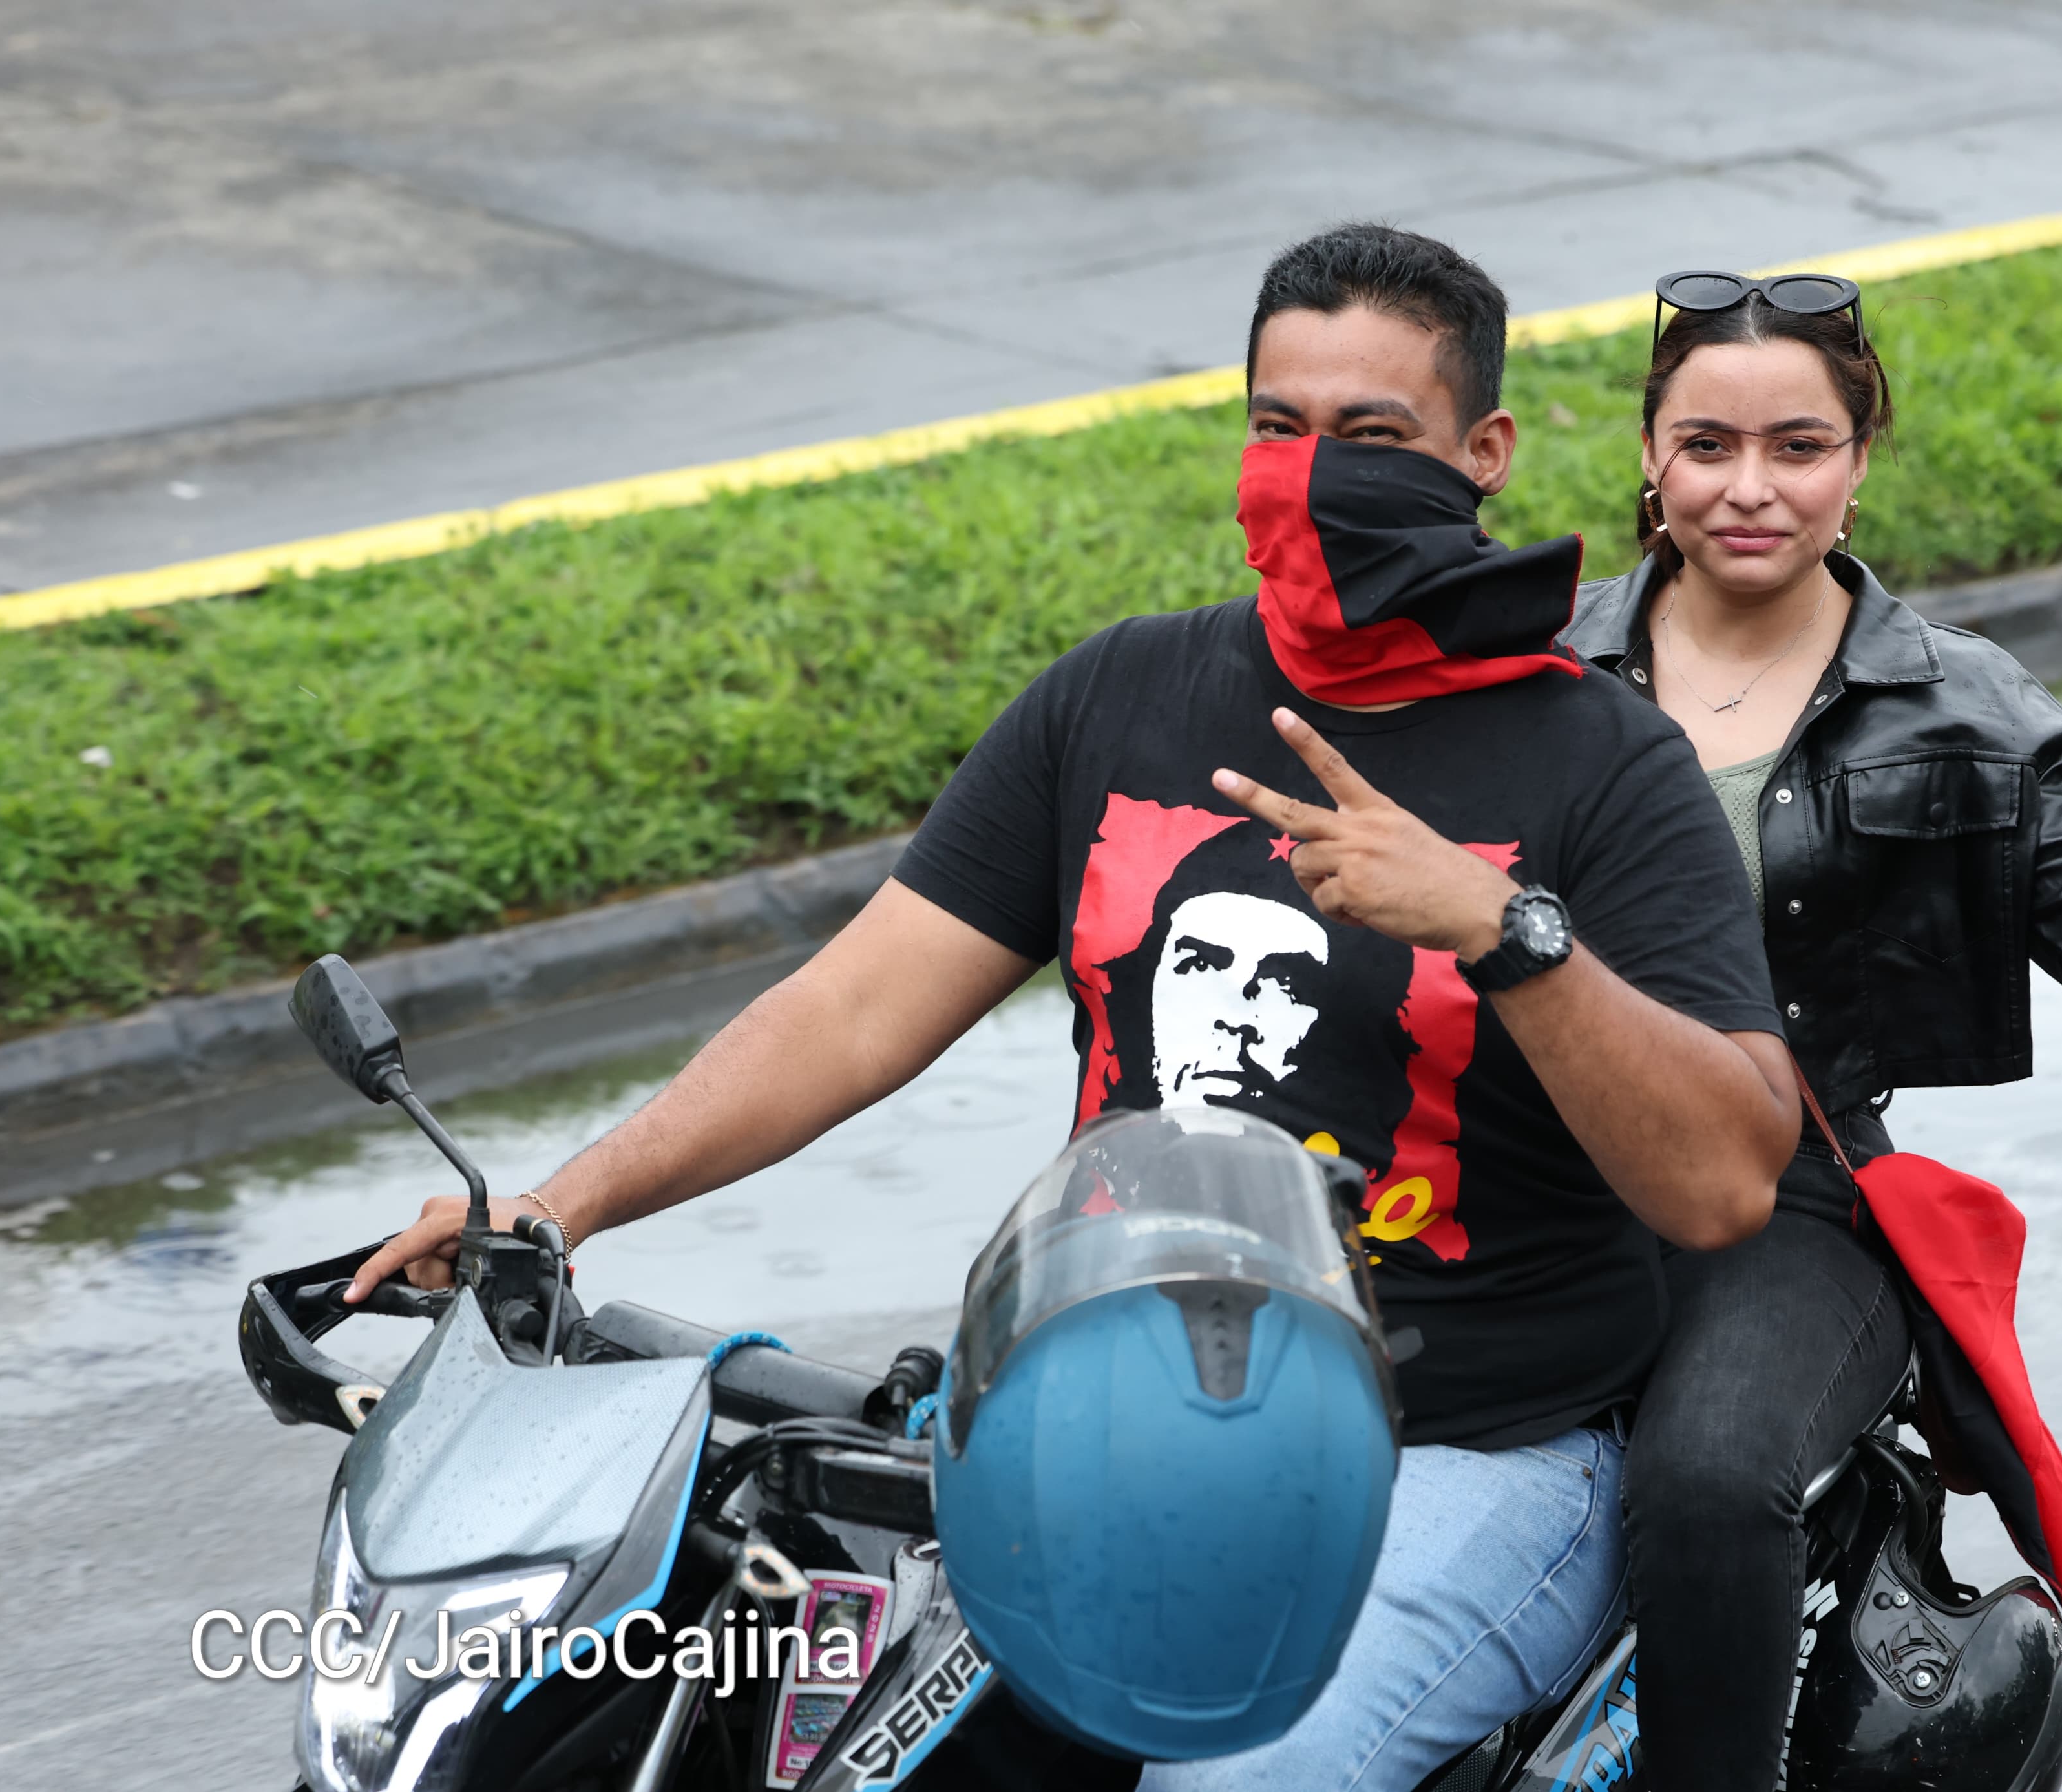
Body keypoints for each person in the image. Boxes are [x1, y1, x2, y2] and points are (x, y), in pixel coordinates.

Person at [348, 224, 1803, 1790]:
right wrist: (559, 1206)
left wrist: (1500, 931)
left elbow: (1723, 1180)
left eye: (1372, 435)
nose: (1313, 473)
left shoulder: (1600, 766)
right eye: (1277, 426)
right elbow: (850, 1013)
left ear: (1483, 452)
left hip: (1461, 1454)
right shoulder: (1117, 699)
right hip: (1095, 1418)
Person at [1558, 271, 2062, 1792]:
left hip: (1791, 1204)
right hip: (1521, 1180)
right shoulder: (1530, 674)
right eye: (1706, 444)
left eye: (1797, 445)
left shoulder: (1961, 705)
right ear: (1650, 455)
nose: (1748, 485)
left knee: (1711, 1480)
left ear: (1858, 461)